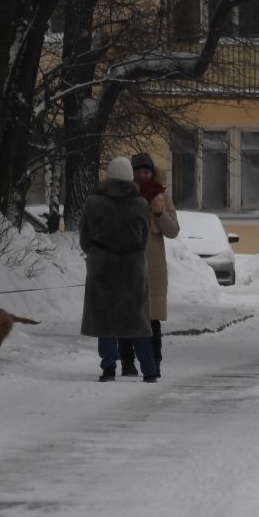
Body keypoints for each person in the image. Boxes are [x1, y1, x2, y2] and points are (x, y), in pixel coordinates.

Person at [79, 156, 159, 382]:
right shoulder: (141, 204)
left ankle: (108, 369)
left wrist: (96, 253)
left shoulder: (93, 203)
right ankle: (150, 370)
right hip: (133, 268)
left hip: (103, 266)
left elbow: (85, 237)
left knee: (105, 320)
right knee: (137, 321)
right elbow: (143, 239)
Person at [119, 151, 179, 376]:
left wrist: (160, 211)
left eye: (146, 171)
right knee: (126, 317)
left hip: (153, 270)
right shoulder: (122, 195)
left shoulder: (162, 195)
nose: (142, 176)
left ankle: (154, 362)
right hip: (127, 264)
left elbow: (173, 231)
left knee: (152, 320)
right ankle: (126, 362)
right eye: (138, 171)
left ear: (152, 173)